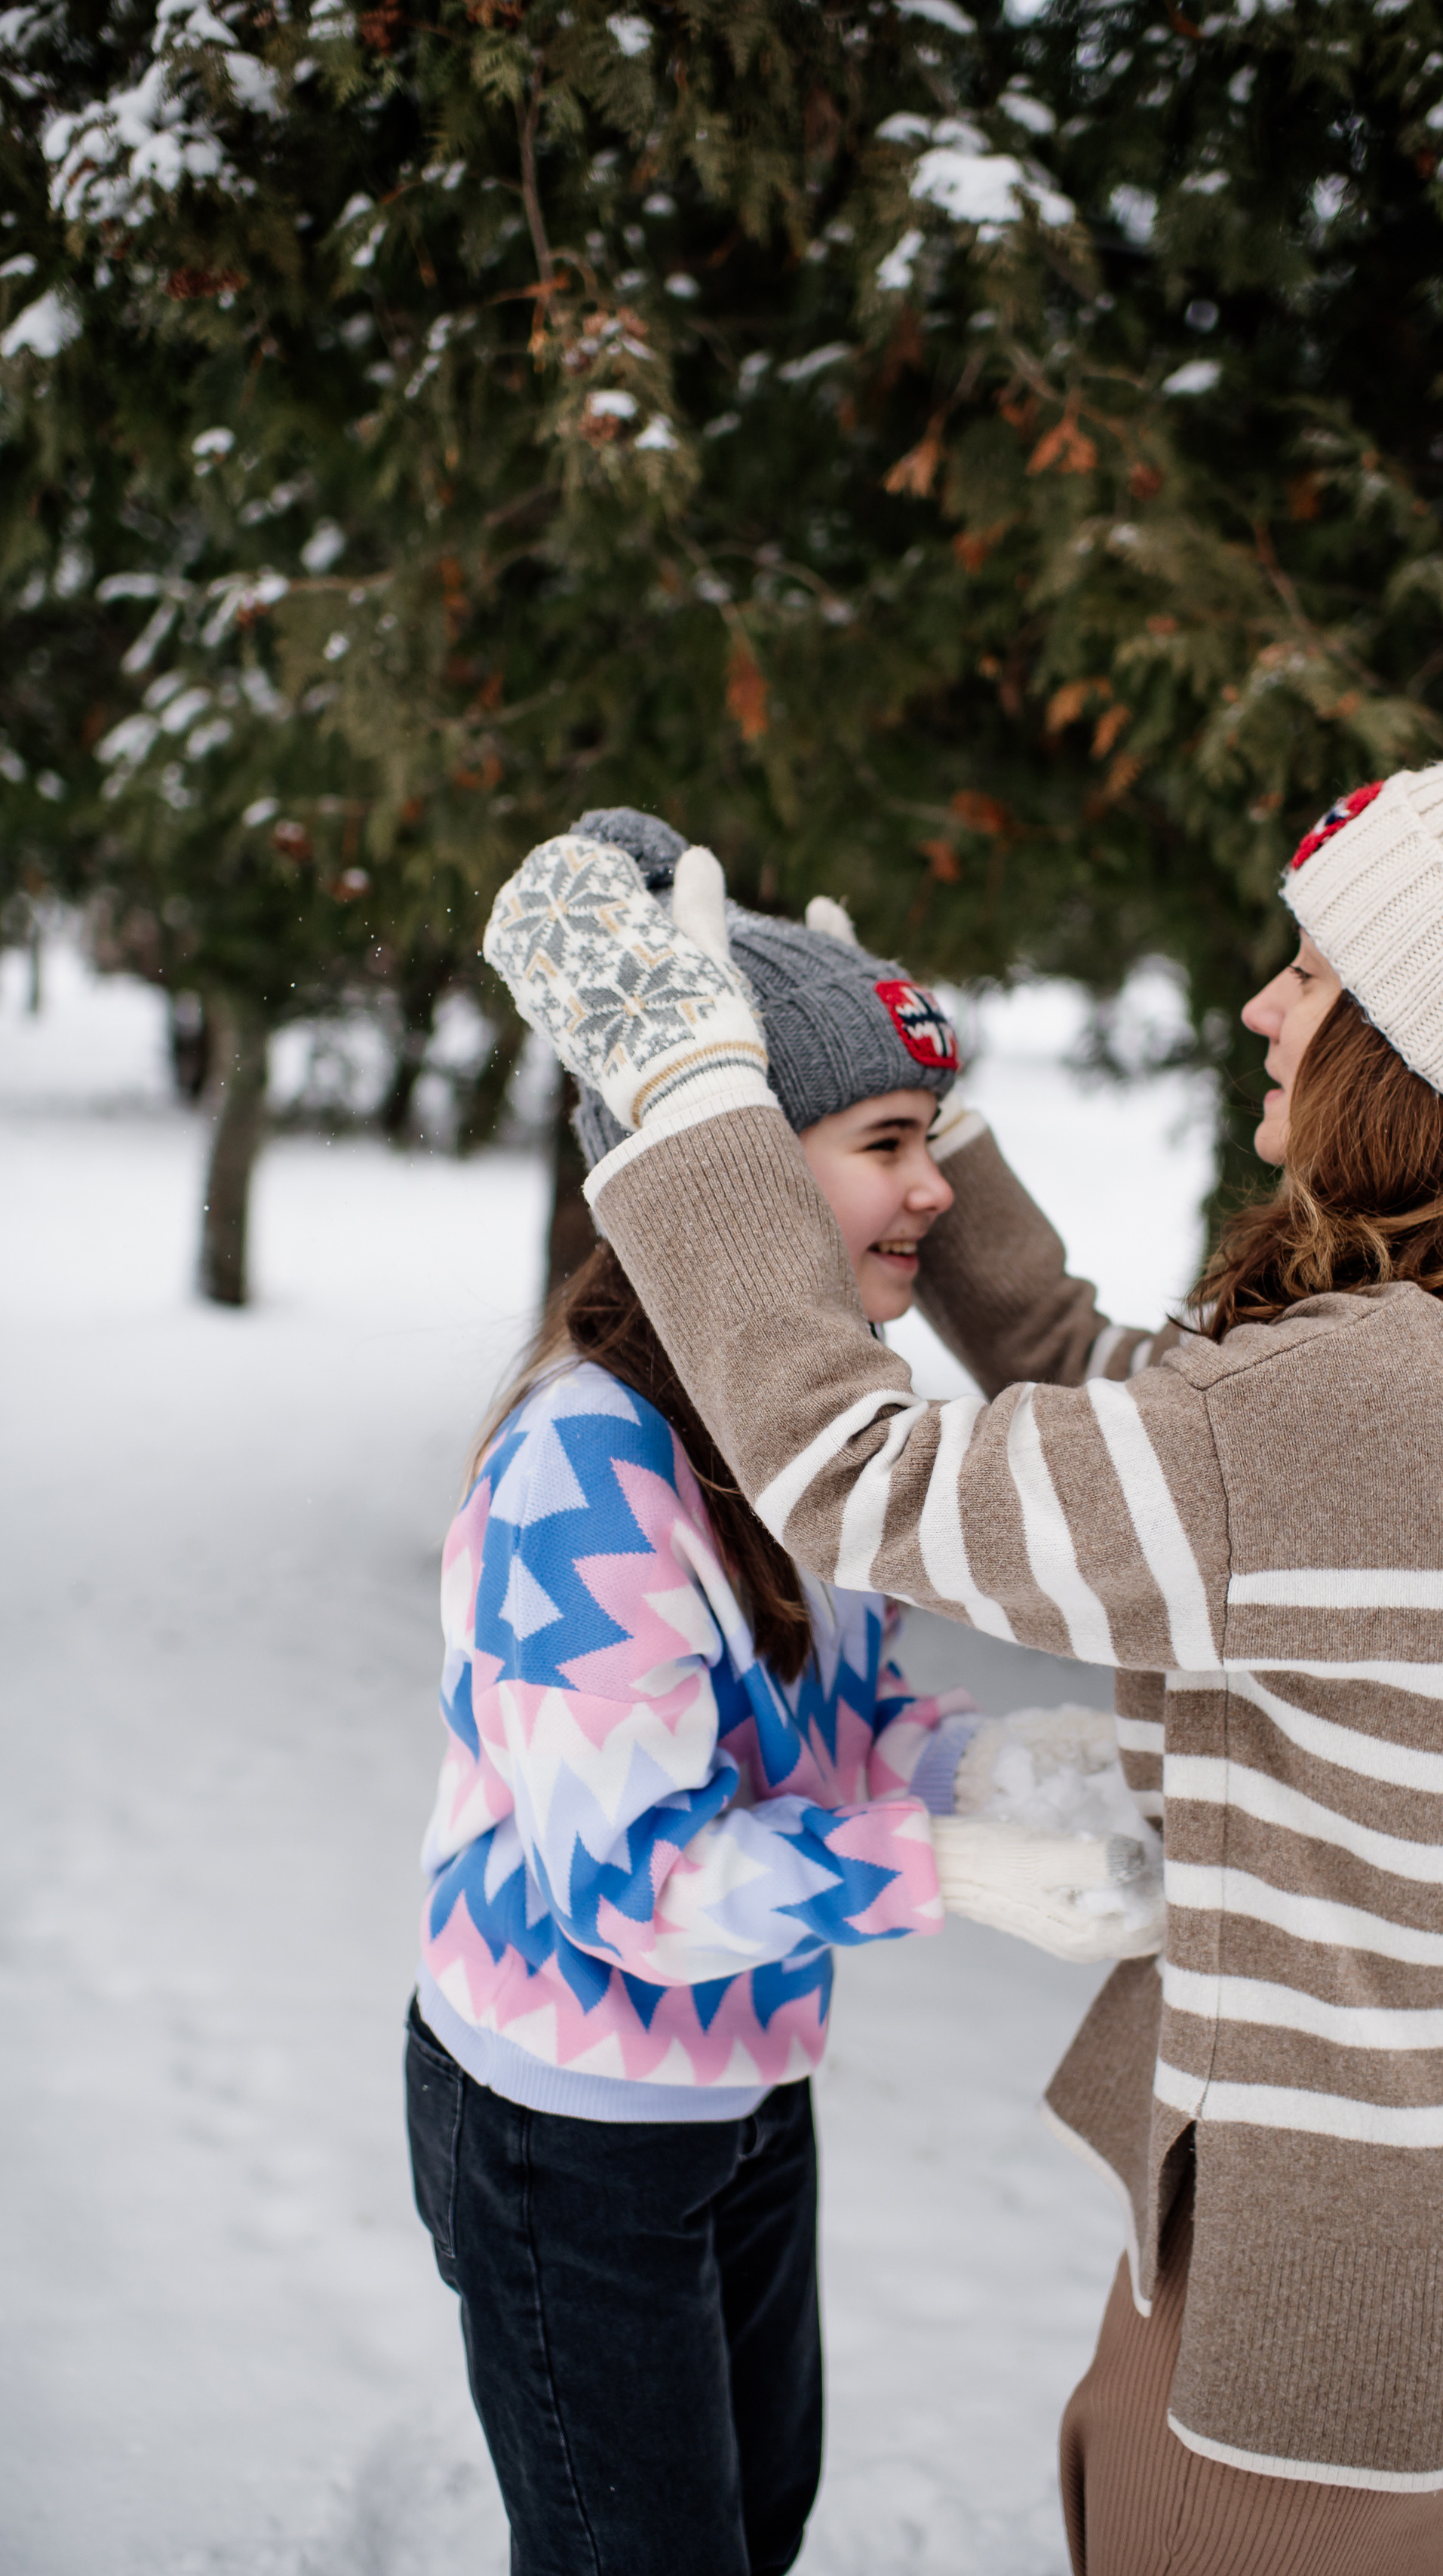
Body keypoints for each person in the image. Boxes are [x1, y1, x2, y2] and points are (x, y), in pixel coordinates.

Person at [481, 652, 1443, 2575]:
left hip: (1351, 2280)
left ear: (1425, 1047)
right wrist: (937, 1121)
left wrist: (687, 1106)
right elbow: (1106, 1386)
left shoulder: (1376, 1402)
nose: (1260, 1003)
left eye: (1312, 972)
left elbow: (858, 1474)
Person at [404, 808, 1139, 2576]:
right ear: (729, 1170)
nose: (937, 1187)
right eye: (886, 1140)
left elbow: (846, 1725)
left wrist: (995, 1770)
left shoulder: (807, 1439)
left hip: (742, 2085)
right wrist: (941, 1869)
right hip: (565, 2134)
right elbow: (634, 1883)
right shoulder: (589, 1467)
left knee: (761, 2521)